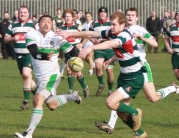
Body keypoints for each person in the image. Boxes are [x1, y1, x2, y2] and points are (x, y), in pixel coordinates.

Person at [58, 11, 147, 137]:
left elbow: (111, 44)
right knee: (119, 111)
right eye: (111, 24)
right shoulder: (113, 32)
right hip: (124, 77)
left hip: (135, 77)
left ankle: (135, 112)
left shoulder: (125, 35)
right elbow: (91, 33)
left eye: (114, 24)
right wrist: (70, 33)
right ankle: (140, 133)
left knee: (110, 103)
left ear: (122, 25)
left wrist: (91, 48)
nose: (111, 27)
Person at [93, 7, 179, 136]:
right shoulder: (121, 30)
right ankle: (113, 125)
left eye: (132, 15)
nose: (130, 17)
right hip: (129, 69)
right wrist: (111, 59)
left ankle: (172, 88)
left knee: (153, 98)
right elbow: (123, 50)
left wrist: (142, 38)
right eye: (127, 15)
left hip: (142, 67)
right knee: (120, 102)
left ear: (137, 18)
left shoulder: (140, 30)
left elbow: (155, 44)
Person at [14, 15, 82, 138]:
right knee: (52, 104)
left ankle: (28, 134)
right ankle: (74, 96)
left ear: (52, 25)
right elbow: (34, 53)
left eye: (49, 22)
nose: (46, 24)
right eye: (43, 21)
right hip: (40, 77)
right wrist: (45, 56)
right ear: (38, 24)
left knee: (37, 99)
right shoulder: (31, 34)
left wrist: (76, 61)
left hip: (52, 75)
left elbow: (72, 52)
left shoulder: (56, 37)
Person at [4, 6, 37, 110]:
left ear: (28, 13)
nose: (23, 14)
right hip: (18, 56)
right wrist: (13, 38)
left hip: (29, 54)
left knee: (26, 74)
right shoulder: (13, 25)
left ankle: (26, 102)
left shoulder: (33, 25)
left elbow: (39, 37)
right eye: (21, 12)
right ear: (18, 14)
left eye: (25, 12)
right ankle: (40, 96)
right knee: (27, 79)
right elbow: (5, 39)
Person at [58, 8, 89, 98]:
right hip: (67, 51)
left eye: (69, 16)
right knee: (73, 70)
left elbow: (86, 35)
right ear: (63, 17)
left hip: (75, 50)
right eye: (66, 16)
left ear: (73, 17)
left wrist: (81, 44)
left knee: (72, 69)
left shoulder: (77, 26)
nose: (68, 18)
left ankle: (73, 90)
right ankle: (83, 88)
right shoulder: (61, 27)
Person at [88, 6, 115, 96]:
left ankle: (110, 90)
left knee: (109, 72)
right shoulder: (94, 23)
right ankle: (101, 84)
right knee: (98, 65)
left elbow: (114, 34)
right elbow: (89, 35)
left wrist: (106, 40)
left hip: (109, 49)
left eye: (104, 12)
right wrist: (94, 41)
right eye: (101, 12)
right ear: (99, 13)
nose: (102, 14)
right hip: (99, 48)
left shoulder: (111, 22)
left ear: (106, 13)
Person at [164, 11, 179, 81]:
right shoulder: (171, 27)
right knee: (177, 75)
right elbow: (166, 39)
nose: (178, 17)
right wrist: (169, 48)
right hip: (175, 54)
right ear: (175, 17)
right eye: (177, 15)